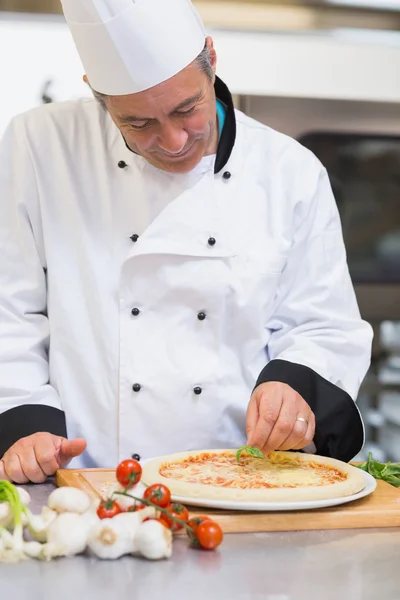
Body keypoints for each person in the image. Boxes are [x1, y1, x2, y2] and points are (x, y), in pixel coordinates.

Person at [0, 0, 372, 484]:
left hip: (240, 482)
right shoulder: (40, 144)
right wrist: (22, 417)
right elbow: (9, 306)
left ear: (211, 60)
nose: (173, 141)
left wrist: (294, 382)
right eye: (138, 124)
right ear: (96, 93)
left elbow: (323, 324)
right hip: (85, 479)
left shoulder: (290, 172)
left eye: (186, 109)